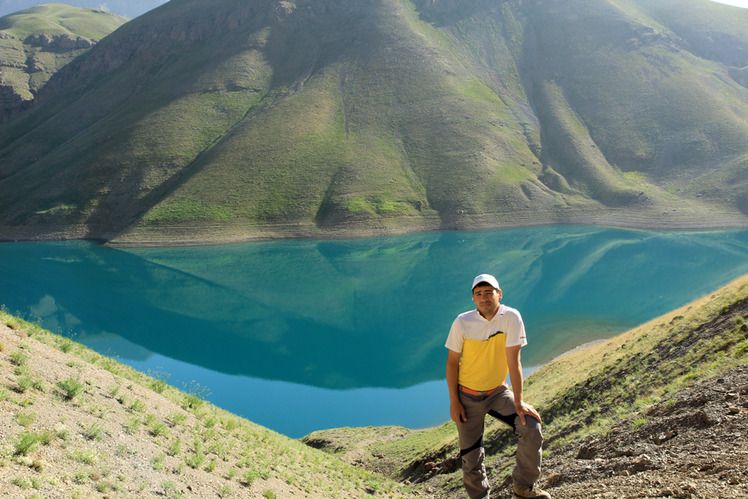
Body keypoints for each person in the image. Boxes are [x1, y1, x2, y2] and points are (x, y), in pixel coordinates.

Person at [445, 274, 550, 499]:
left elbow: (515, 361)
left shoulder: (511, 317)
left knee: (531, 426)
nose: (484, 297)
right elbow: (452, 362)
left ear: (499, 294)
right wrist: (455, 401)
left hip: (497, 392)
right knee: (471, 456)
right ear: (473, 298)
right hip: (467, 396)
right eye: (478, 294)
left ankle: (523, 488)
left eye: (489, 292)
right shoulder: (463, 322)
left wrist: (520, 401)